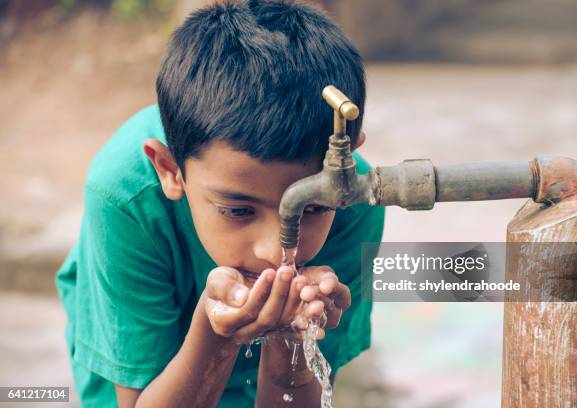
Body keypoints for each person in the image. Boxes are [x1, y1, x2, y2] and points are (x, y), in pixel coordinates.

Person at [55, 0, 384, 406]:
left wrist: (292, 342)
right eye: (237, 211)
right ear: (170, 170)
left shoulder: (354, 199)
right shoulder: (125, 197)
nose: (276, 252)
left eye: (310, 208)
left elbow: (294, 399)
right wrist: (216, 333)